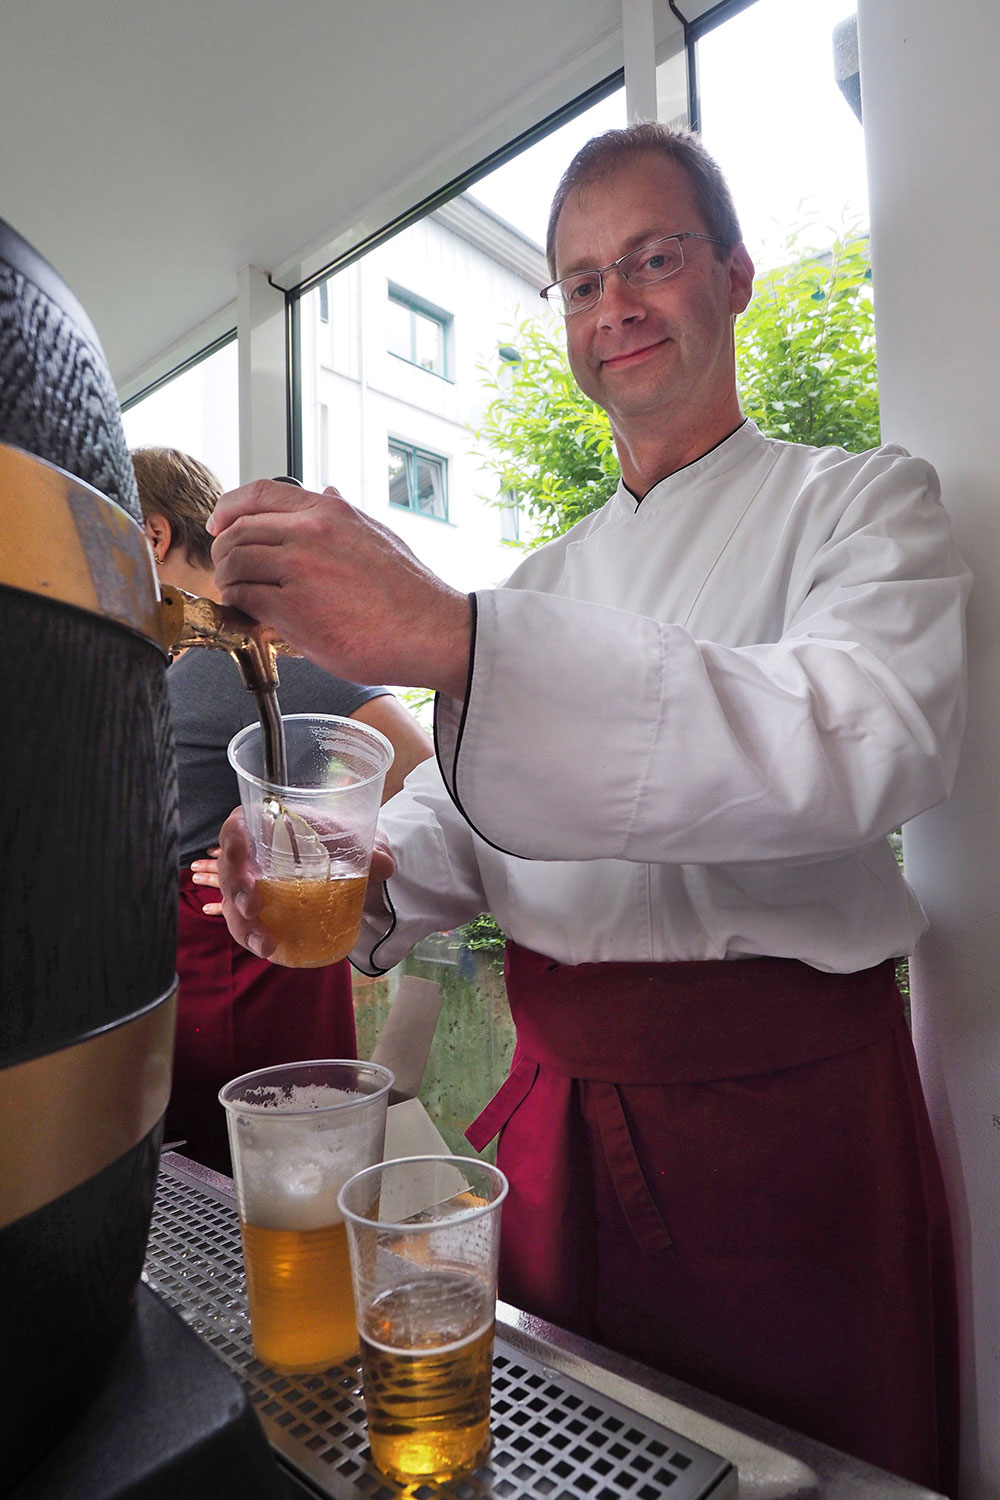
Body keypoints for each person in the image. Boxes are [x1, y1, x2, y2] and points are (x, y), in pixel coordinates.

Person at [206, 124, 969, 1491]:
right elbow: (462, 818)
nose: (613, 304)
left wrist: (456, 640)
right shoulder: (542, 579)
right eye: (578, 281)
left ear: (734, 277)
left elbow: (865, 734)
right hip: (558, 1134)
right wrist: (350, 867)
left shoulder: (864, 505)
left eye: (652, 260)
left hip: (782, 1135)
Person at [132, 446, 432, 1172]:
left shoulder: (273, 646)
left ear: (152, 535)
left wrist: (308, 843)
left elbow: (422, 772)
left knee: (270, 1183)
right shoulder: (170, 662)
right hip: (177, 985)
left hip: (250, 980)